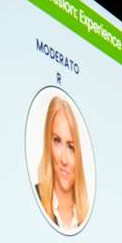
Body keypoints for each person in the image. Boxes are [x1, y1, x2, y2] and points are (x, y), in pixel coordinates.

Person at [34, 95, 89, 232]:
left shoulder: (87, 216)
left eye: (71, 147)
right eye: (57, 141)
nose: (64, 160)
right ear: (48, 143)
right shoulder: (34, 198)